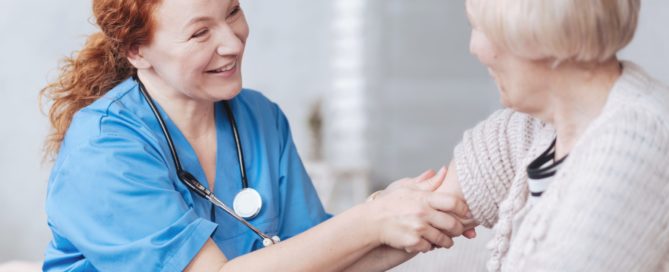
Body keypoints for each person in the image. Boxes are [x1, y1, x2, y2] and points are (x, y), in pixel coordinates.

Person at [40, 0, 475, 271]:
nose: (232, 42)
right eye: (200, 32)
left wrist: (417, 219)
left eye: (232, 10)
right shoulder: (103, 149)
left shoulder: (259, 117)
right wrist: (371, 219)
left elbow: (322, 259)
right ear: (137, 50)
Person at [417, 0, 669, 270]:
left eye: (483, 28)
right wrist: (373, 220)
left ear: (546, 35)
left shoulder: (633, 145)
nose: (475, 48)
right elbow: (412, 215)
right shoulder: (535, 129)